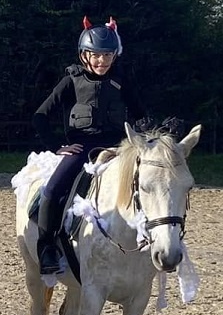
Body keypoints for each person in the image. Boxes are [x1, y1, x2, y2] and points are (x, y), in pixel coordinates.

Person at [29, 17, 147, 275]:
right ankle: (47, 247)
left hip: (118, 147)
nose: (101, 61)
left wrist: (154, 130)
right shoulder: (71, 80)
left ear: (115, 55)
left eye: (107, 55)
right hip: (82, 147)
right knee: (53, 189)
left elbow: (140, 114)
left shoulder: (122, 80)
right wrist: (57, 146)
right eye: (95, 55)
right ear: (84, 55)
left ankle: (153, 238)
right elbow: (40, 116)